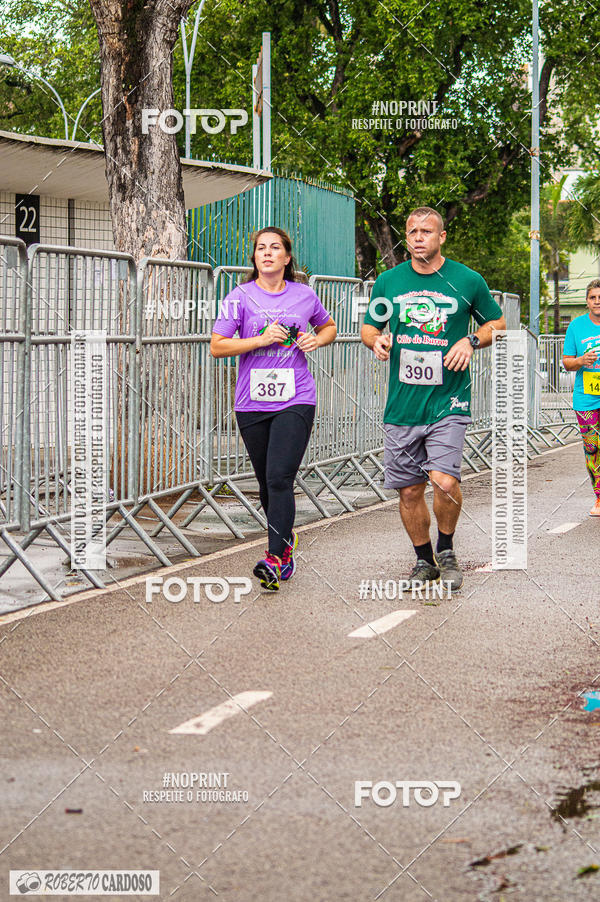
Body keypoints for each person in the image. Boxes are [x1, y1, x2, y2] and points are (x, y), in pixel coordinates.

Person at [360, 206, 505, 590]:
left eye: (426, 231)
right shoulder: (388, 282)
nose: (418, 237)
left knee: (443, 482)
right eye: (412, 232)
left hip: (449, 401)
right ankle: (424, 561)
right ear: (406, 238)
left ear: (441, 237)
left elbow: (498, 323)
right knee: (409, 490)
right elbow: (369, 327)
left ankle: (447, 550)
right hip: (402, 405)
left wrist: (471, 340)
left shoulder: (467, 280)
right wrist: (377, 341)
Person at [210, 227, 337, 590]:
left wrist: (317, 339)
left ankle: (275, 558)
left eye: (275, 247)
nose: (267, 253)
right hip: (252, 402)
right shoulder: (239, 297)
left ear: (286, 257)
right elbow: (217, 346)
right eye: (261, 248)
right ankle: (285, 541)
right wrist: (260, 339)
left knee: (280, 477)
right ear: (254, 257)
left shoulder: (304, 294)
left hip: (296, 398)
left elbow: (329, 327)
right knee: (267, 482)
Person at [562, 278, 600, 516]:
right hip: (586, 398)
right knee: (593, 448)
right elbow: (567, 362)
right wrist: (581, 361)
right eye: (593, 297)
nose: (597, 301)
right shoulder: (576, 327)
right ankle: (599, 497)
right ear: (587, 301)